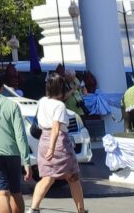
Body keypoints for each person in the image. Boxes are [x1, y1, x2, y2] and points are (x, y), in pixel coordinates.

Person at [26, 72, 85, 213]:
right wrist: (52, 149)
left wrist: (48, 148)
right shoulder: (59, 106)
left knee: (47, 177)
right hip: (58, 142)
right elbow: (56, 127)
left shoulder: (42, 101)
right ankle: (81, 210)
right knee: (73, 177)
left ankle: (33, 208)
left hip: (43, 140)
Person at [0, 68, 30, 213]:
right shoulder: (12, 106)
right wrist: (26, 161)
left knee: (1, 192)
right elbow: (20, 134)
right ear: (3, 86)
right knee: (15, 192)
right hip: (13, 153)